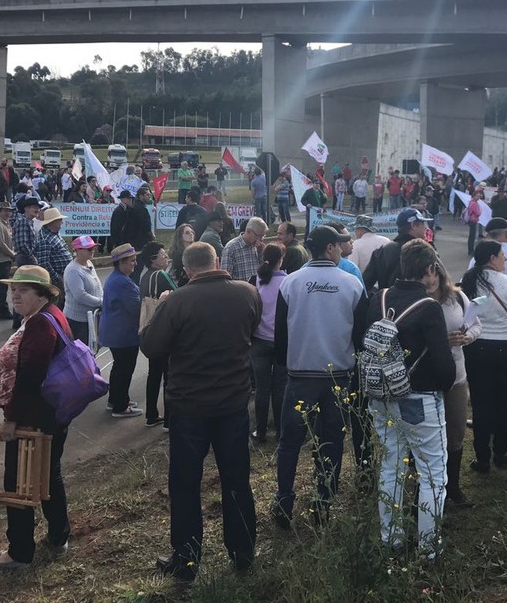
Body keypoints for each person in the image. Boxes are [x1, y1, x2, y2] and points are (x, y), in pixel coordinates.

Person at [141, 243, 261, 581]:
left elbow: (151, 348)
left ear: (187, 270)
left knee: (185, 482)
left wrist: (160, 308)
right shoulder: (247, 293)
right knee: (236, 479)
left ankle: (187, 558)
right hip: (233, 404)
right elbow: (251, 330)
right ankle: (242, 551)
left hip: (189, 406)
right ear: (217, 262)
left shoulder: (176, 302)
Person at [273, 226, 368, 528]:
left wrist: (287, 363)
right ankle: (323, 501)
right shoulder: (352, 284)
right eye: (339, 246)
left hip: (300, 373)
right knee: (331, 440)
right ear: (330, 248)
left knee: (289, 441)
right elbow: (361, 333)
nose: (341, 250)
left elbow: (281, 334)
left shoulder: (290, 283)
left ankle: (284, 501)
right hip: (338, 374)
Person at [367, 240, 455, 558]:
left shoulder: (379, 298)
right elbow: (444, 364)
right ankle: (428, 547)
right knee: (433, 472)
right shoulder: (429, 308)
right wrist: (444, 385)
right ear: (430, 270)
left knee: (392, 465)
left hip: (379, 395)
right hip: (419, 397)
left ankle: (391, 538)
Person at [0, 267, 73, 571]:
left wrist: (11, 419)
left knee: (18, 482)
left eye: (24, 289)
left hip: (33, 417)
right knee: (48, 474)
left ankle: (19, 552)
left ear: (43, 294)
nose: (15, 294)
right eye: (13, 289)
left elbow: (30, 378)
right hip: (51, 413)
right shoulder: (47, 316)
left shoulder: (40, 325)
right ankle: (59, 537)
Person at [461, 240, 507, 474]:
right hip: (503, 349)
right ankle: (500, 452)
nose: (506, 259)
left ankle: (481, 457)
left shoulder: (469, 280)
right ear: (492, 258)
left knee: (480, 402)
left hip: (474, 346)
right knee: (504, 401)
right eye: (502, 255)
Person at [428, 259, 481, 506]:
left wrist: (466, 336)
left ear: (440, 273)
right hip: (425, 379)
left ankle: (453, 488)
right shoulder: (418, 301)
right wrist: (440, 341)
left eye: (433, 274)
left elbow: (476, 325)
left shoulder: (457, 299)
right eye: (423, 274)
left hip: (457, 377)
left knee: (456, 431)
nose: (429, 280)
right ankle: (426, 487)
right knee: (426, 436)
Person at [249, 243, 288, 443]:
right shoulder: (289, 282)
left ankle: (261, 430)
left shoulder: (255, 280)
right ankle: (281, 431)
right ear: (281, 260)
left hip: (258, 341)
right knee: (280, 387)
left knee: (262, 388)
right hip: (281, 341)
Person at [139, 241, 178, 428]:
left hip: (149, 329)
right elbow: (178, 294)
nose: (166, 258)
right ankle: (169, 419)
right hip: (164, 330)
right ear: (154, 260)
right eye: (163, 255)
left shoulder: (145, 276)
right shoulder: (161, 275)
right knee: (169, 375)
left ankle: (151, 414)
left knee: (154, 374)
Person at [101, 244, 143, 418]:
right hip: (123, 334)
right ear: (121, 262)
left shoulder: (119, 278)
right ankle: (120, 406)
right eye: (132, 260)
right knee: (124, 369)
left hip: (118, 332)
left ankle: (116, 400)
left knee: (119, 368)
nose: (135, 263)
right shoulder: (121, 282)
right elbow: (136, 306)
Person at [363, 208, 431, 292]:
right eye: (422, 223)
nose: (425, 227)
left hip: (387, 303)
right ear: (413, 225)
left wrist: (378, 299)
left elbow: (365, 285)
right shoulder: (424, 252)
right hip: (418, 303)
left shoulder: (382, 251)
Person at [62, 235, 104, 345]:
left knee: (92, 349)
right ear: (78, 250)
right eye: (89, 249)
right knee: (81, 352)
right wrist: (101, 302)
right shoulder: (73, 270)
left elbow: (97, 285)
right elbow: (80, 295)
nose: (93, 251)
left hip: (90, 318)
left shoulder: (89, 263)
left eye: (93, 248)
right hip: (77, 321)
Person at [34, 207, 72, 297]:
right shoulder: (45, 239)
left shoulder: (54, 234)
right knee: (59, 300)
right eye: (60, 220)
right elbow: (43, 263)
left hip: (64, 274)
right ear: (52, 222)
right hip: (58, 277)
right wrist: (56, 278)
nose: (62, 222)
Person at [221, 216, 267, 282]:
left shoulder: (259, 247)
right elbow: (225, 277)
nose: (261, 240)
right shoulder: (231, 247)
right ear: (248, 231)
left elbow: (265, 272)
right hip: (240, 290)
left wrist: (260, 254)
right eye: (258, 236)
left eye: (263, 237)